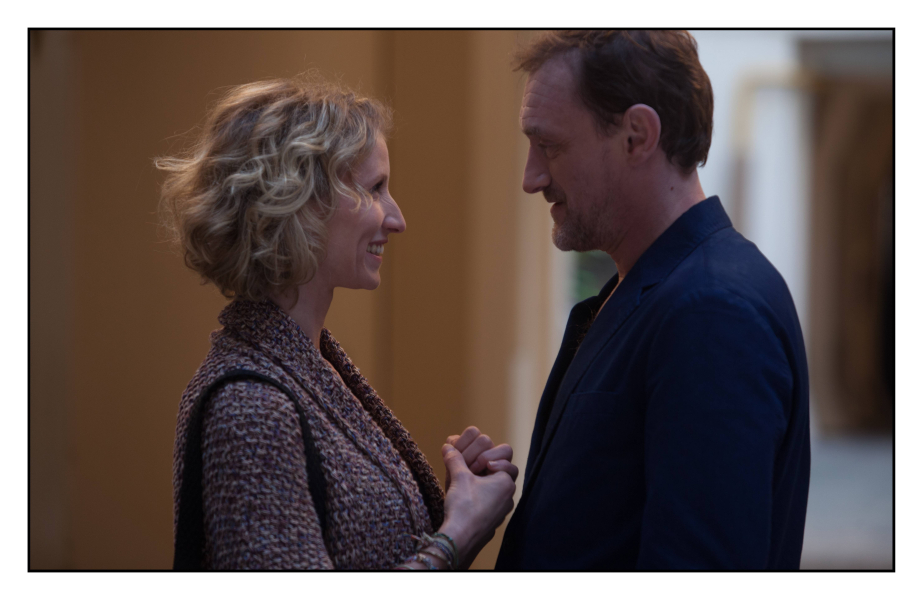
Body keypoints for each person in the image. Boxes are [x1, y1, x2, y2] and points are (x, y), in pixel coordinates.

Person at [158, 75, 517, 570]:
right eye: (375, 188)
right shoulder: (252, 407)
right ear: (298, 201)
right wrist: (459, 534)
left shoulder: (305, 367)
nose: (397, 219)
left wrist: (456, 508)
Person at [495, 30, 811, 570]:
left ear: (637, 136)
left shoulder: (712, 312)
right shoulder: (662, 288)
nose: (532, 177)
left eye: (550, 146)